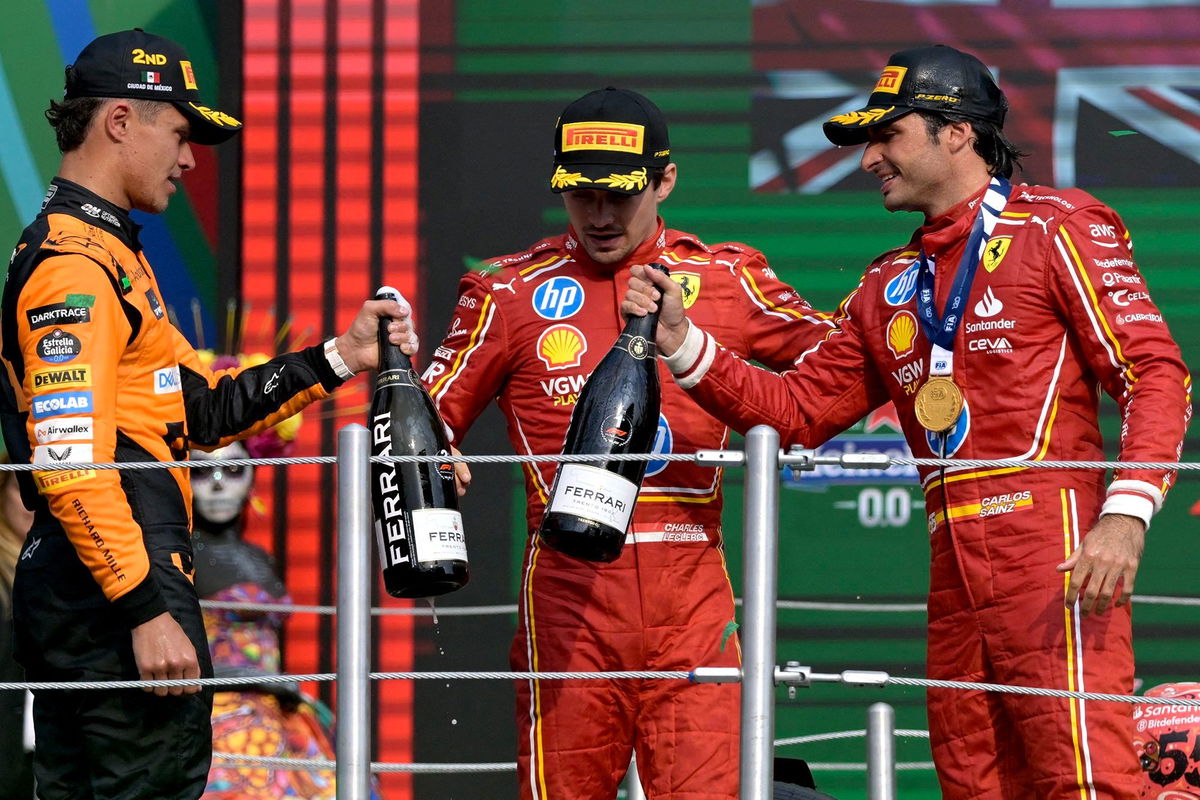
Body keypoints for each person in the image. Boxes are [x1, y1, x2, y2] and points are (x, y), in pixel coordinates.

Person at [624, 45, 1192, 799]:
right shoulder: (888, 283)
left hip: (1051, 550)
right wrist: (681, 341)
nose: (869, 161)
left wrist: (1126, 516)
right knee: (974, 784)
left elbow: (1153, 371)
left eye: (887, 137)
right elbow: (794, 412)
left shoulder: (1056, 228)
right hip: (951, 561)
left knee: (1085, 779)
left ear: (955, 132)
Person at [0, 29, 415, 800]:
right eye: (181, 133)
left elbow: (204, 404)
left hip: (97, 593)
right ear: (120, 122)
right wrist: (144, 608)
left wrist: (342, 356)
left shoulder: (110, 256)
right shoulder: (74, 269)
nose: (190, 160)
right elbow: (70, 462)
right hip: (110, 600)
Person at [421, 87, 831, 799]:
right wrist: (433, 448)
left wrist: (706, 356)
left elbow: (840, 365)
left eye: (619, 194)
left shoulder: (726, 278)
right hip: (567, 599)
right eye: (581, 195)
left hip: (694, 595)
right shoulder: (507, 292)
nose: (601, 216)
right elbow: (423, 417)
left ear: (664, 179)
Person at [186, 392, 383, 799]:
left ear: (255, 473)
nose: (219, 485)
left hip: (277, 711)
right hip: (216, 718)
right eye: (202, 473)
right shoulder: (180, 557)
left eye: (234, 470)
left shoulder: (262, 557)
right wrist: (265, 681)